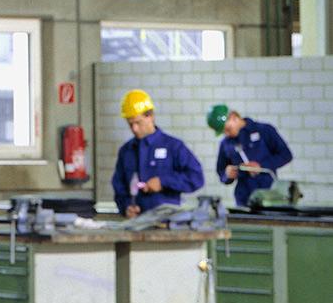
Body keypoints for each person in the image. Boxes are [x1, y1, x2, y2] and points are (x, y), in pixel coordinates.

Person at [111, 89, 205, 218]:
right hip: (137, 223)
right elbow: (119, 186)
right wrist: (126, 207)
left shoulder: (173, 146)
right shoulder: (126, 151)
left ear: (150, 116)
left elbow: (196, 178)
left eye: (138, 122)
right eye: (130, 124)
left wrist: (163, 182)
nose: (134, 129)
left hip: (167, 222)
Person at [209, 103, 293, 207]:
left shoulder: (264, 131)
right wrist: (227, 175)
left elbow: (286, 155)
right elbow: (221, 171)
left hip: (268, 195)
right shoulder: (226, 143)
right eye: (223, 132)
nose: (227, 134)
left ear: (234, 117)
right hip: (243, 198)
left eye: (228, 129)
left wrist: (261, 166)